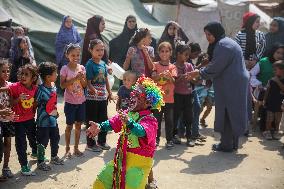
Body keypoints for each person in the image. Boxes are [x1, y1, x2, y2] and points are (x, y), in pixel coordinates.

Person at [87, 76, 164, 189]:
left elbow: (142, 132)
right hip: (121, 159)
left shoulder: (150, 120)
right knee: (100, 183)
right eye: (133, 92)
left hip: (139, 163)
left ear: (147, 102)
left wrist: (130, 123)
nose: (132, 95)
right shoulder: (127, 113)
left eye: (138, 94)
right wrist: (100, 126)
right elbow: (114, 122)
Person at [188, 22, 249, 152]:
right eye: (206, 34)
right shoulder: (226, 42)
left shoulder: (223, 45)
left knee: (228, 112)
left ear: (216, 32)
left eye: (209, 34)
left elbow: (216, 67)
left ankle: (226, 145)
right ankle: (232, 143)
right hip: (234, 82)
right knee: (234, 112)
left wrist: (199, 73)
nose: (207, 37)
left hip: (231, 83)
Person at [8, 64, 38, 175]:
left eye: (26, 74)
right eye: (22, 74)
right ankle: (24, 165)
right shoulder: (15, 87)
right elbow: (10, 103)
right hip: (18, 121)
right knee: (21, 143)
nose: (23, 76)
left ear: (33, 78)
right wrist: (18, 99)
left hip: (30, 119)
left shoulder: (35, 89)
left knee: (33, 137)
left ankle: (35, 152)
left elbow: (35, 103)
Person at [85, 39, 113, 152]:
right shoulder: (89, 64)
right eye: (97, 50)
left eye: (102, 49)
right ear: (90, 50)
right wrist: (93, 90)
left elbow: (106, 79)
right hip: (92, 98)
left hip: (102, 98)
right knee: (92, 120)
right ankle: (90, 144)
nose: (100, 52)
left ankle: (101, 141)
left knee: (103, 119)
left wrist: (109, 93)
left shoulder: (103, 64)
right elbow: (88, 82)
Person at [60, 44, 87, 158]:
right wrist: (75, 79)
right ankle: (67, 148)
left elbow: (85, 85)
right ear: (67, 55)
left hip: (81, 102)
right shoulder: (64, 69)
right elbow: (62, 85)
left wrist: (81, 79)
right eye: (73, 55)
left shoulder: (82, 68)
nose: (76, 57)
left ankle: (76, 148)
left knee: (78, 125)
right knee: (69, 126)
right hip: (70, 102)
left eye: (78, 55)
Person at [36, 62, 64, 171]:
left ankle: (54, 157)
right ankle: (40, 162)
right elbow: (36, 103)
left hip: (53, 120)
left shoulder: (54, 87)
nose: (57, 75)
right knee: (43, 141)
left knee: (55, 138)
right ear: (48, 77)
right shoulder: (40, 90)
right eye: (55, 73)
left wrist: (55, 112)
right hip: (43, 122)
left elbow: (54, 102)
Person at [152, 41, 177, 149]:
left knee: (169, 121)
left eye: (167, 51)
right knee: (156, 120)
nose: (164, 53)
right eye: (162, 51)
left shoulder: (172, 67)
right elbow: (153, 78)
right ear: (158, 52)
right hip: (157, 99)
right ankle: (156, 139)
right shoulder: (155, 65)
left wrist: (169, 76)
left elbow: (174, 81)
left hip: (169, 100)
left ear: (171, 52)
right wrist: (160, 76)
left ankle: (169, 140)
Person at [172, 43, 194, 147]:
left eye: (188, 55)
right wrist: (180, 78)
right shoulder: (173, 67)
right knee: (175, 116)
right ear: (178, 54)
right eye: (185, 54)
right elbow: (172, 82)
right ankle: (174, 135)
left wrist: (192, 78)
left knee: (188, 116)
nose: (187, 57)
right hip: (177, 95)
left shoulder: (189, 65)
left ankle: (189, 137)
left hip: (188, 95)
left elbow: (195, 79)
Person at [0, 59, 15, 179]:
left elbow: (12, 102)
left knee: (8, 142)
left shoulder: (9, 85)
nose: (6, 73)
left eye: (8, 71)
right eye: (3, 71)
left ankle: (6, 167)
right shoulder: (8, 87)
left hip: (8, 119)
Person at [262, 61, 284, 140]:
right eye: (273, 70)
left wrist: (277, 81)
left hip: (280, 104)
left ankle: (276, 131)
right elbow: (267, 90)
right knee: (269, 119)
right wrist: (264, 99)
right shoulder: (271, 80)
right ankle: (267, 131)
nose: (273, 71)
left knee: (277, 120)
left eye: (275, 70)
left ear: (282, 70)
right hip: (271, 103)